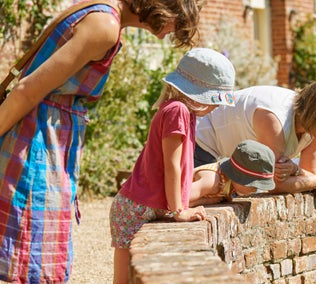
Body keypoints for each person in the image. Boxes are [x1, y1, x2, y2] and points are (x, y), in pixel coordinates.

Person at [0, 0, 203, 282]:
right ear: (164, 8)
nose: (172, 32)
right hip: (36, 142)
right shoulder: (105, 25)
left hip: (45, 138)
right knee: (37, 263)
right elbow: (27, 91)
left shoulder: (103, 12)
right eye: (176, 24)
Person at [109, 47, 236, 284]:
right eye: (215, 99)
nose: (217, 106)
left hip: (137, 203)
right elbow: (172, 166)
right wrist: (180, 211)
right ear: (199, 92)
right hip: (135, 207)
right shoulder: (177, 110)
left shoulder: (185, 113)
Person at [194, 80, 316, 196]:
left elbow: (309, 174)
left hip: (231, 159)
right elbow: (273, 184)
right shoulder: (274, 119)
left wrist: (297, 170)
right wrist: (315, 181)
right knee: (212, 192)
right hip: (203, 144)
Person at [190, 139, 275, 207]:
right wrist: (206, 201)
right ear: (238, 176)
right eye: (252, 185)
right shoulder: (212, 181)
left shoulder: (228, 182)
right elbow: (179, 202)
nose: (255, 190)